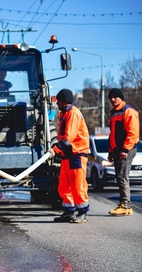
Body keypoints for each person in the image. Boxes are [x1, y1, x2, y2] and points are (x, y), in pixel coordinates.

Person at [49, 89, 90, 223]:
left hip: (76, 154)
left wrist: (56, 149)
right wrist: (58, 150)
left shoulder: (73, 114)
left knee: (78, 185)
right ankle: (69, 211)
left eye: (58, 101)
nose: (56, 103)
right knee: (64, 185)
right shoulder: (65, 114)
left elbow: (68, 138)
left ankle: (82, 212)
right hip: (68, 155)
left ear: (63, 101)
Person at [107, 88, 140, 216]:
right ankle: (123, 204)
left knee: (122, 177)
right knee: (120, 177)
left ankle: (126, 205)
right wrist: (111, 151)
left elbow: (133, 132)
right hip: (118, 150)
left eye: (115, 97)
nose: (113, 99)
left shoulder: (128, 111)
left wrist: (125, 149)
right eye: (111, 97)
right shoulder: (114, 112)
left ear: (121, 97)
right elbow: (112, 134)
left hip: (127, 149)